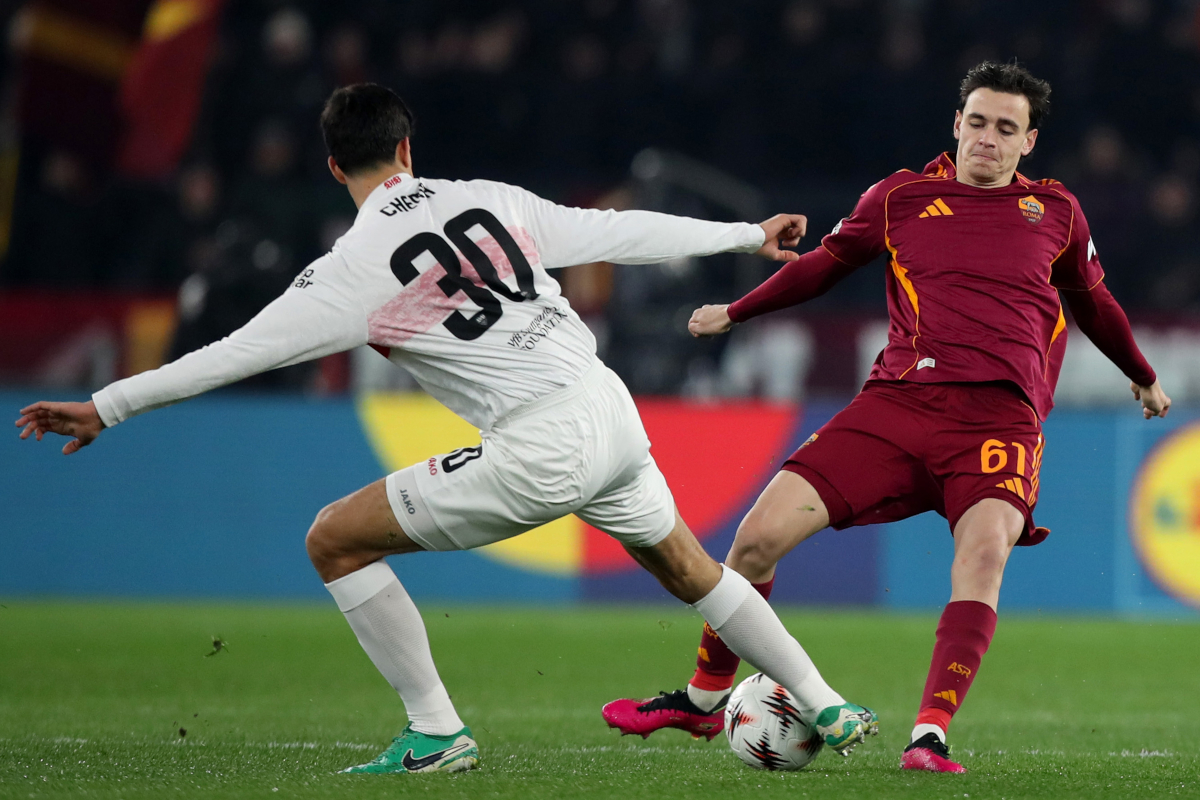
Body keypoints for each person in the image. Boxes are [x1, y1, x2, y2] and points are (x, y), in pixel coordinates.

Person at [14, 84, 877, 775]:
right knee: (690, 566)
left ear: (332, 167)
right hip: (608, 406)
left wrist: (110, 403)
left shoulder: (348, 272)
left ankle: (435, 731)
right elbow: (618, 231)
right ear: (407, 149)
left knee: (333, 541)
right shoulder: (488, 199)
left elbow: (234, 353)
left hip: (541, 441)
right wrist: (745, 232)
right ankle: (825, 700)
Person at [602, 61, 1171, 773]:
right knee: (753, 542)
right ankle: (704, 697)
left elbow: (1095, 302)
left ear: (1028, 142)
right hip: (898, 405)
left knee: (984, 557)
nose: (987, 139)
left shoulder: (1056, 211)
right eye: (977, 122)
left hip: (999, 420)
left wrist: (1143, 376)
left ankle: (928, 734)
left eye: (1005, 128)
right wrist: (736, 311)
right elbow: (825, 264)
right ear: (955, 124)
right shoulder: (901, 197)